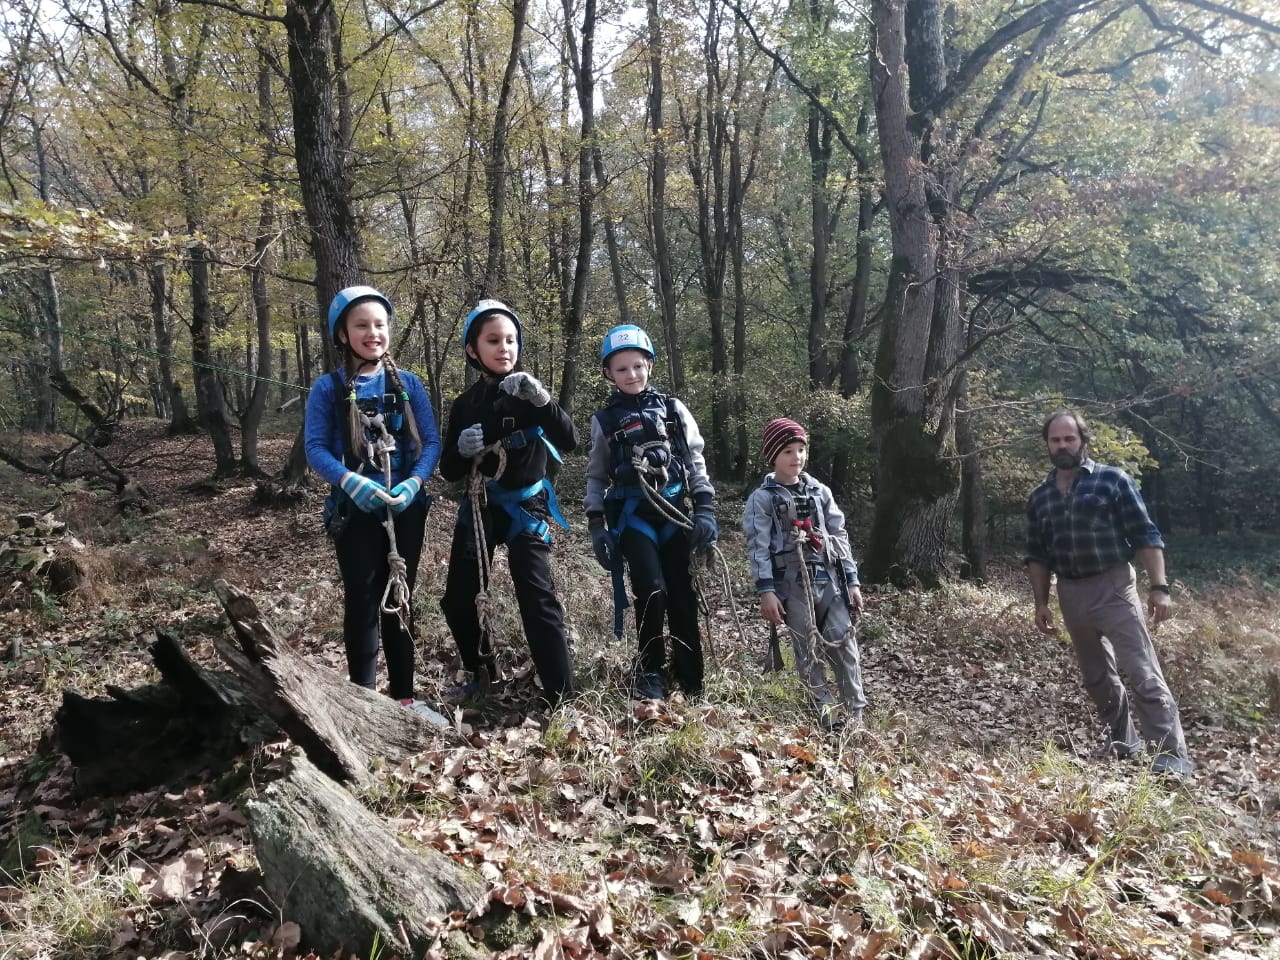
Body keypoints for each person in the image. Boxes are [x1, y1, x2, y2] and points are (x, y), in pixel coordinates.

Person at [1025, 408, 1193, 778]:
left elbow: (1146, 533)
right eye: (1055, 440)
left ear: (1083, 440)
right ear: (1047, 445)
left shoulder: (1113, 480)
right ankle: (1123, 741)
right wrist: (1041, 602)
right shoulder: (1040, 497)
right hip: (1071, 592)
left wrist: (1160, 587)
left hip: (1114, 587)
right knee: (1097, 677)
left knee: (1142, 672)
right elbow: (1037, 554)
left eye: (1069, 438)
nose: (1062, 445)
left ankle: (1171, 759)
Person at [304, 286, 440, 708]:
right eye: (361, 325)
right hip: (355, 509)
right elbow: (315, 448)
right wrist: (350, 481)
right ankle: (363, 699)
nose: (372, 332)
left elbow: (430, 442)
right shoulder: (328, 389)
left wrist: (414, 483)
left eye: (379, 324)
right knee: (362, 599)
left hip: (405, 508)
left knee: (400, 596)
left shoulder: (408, 384)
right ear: (342, 334)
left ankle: (403, 698)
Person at [438, 299, 576, 708]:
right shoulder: (465, 405)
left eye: (511, 340)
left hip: (526, 508)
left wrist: (542, 400)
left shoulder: (528, 392)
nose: (504, 348)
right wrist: (462, 449)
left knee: (536, 596)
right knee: (458, 599)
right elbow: (448, 470)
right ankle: (483, 674)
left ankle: (562, 695)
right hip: (481, 505)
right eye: (493, 340)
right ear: (472, 349)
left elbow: (569, 440)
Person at [584, 324, 718, 701]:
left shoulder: (673, 411)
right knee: (651, 590)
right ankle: (650, 671)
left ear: (650, 366)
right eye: (622, 368)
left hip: (674, 514)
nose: (631, 375)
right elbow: (596, 475)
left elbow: (694, 461)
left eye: (638, 366)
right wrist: (596, 524)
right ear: (609, 373)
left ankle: (690, 676)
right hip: (634, 517)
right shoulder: (605, 420)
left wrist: (705, 509)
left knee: (682, 595)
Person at [743, 418, 866, 731]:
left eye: (801, 449)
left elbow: (839, 535)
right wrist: (766, 590)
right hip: (792, 586)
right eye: (787, 451)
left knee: (844, 644)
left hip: (829, 581)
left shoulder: (820, 492)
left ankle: (855, 717)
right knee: (808, 653)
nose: (796, 457)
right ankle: (826, 717)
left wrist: (851, 580)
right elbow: (758, 546)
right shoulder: (763, 498)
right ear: (773, 455)